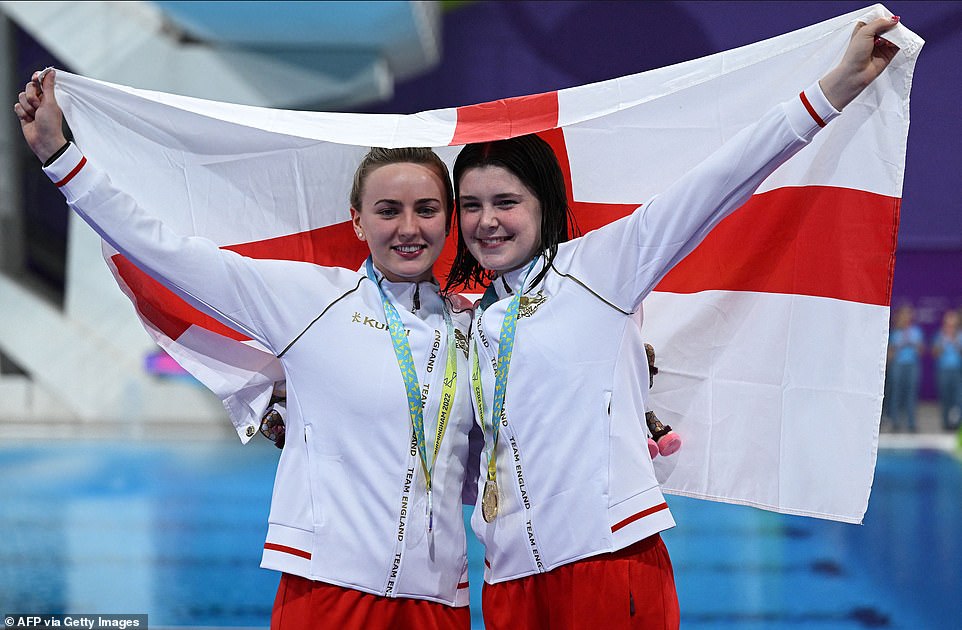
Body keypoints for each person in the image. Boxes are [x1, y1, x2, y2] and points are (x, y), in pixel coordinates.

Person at [443, 16, 901, 629]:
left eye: (506, 202)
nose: (486, 221)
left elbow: (717, 182)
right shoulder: (470, 325)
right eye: (470, 205)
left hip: (606, 561)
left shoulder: (600, 268)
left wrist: (832, 90)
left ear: (544, 207)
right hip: (508, 579)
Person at [15, 72, 481, 629]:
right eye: (388, 211)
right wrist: (58, 156)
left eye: (426, 209)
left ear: (450, 219)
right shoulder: (307, 300)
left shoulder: (476, 326)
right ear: (357, 220)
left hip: (440, 600)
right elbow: (161, 251)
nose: (409, 228)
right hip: (328, 592)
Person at [887, 303, 925, 432]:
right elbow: (890, 354)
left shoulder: (915, 332)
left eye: (907, 314)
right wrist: (898, 347)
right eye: (903, 314)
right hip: (898, 365)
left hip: (912, 365)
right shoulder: (894, 332)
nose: (905, 317)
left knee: (911, 394)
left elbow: (921, 351)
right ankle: (895, 422)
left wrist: (913, 344)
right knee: (896, 393)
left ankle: (911, 423)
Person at [932, 309, 962, 431]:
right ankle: (945, 423)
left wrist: (955, 342)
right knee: (945, 398)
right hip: (943, 371)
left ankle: (957, 423)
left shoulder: (960, 336)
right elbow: (934, 353)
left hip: (957, 371)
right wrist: (942, 344)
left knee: (958, 398)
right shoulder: (940, 336)